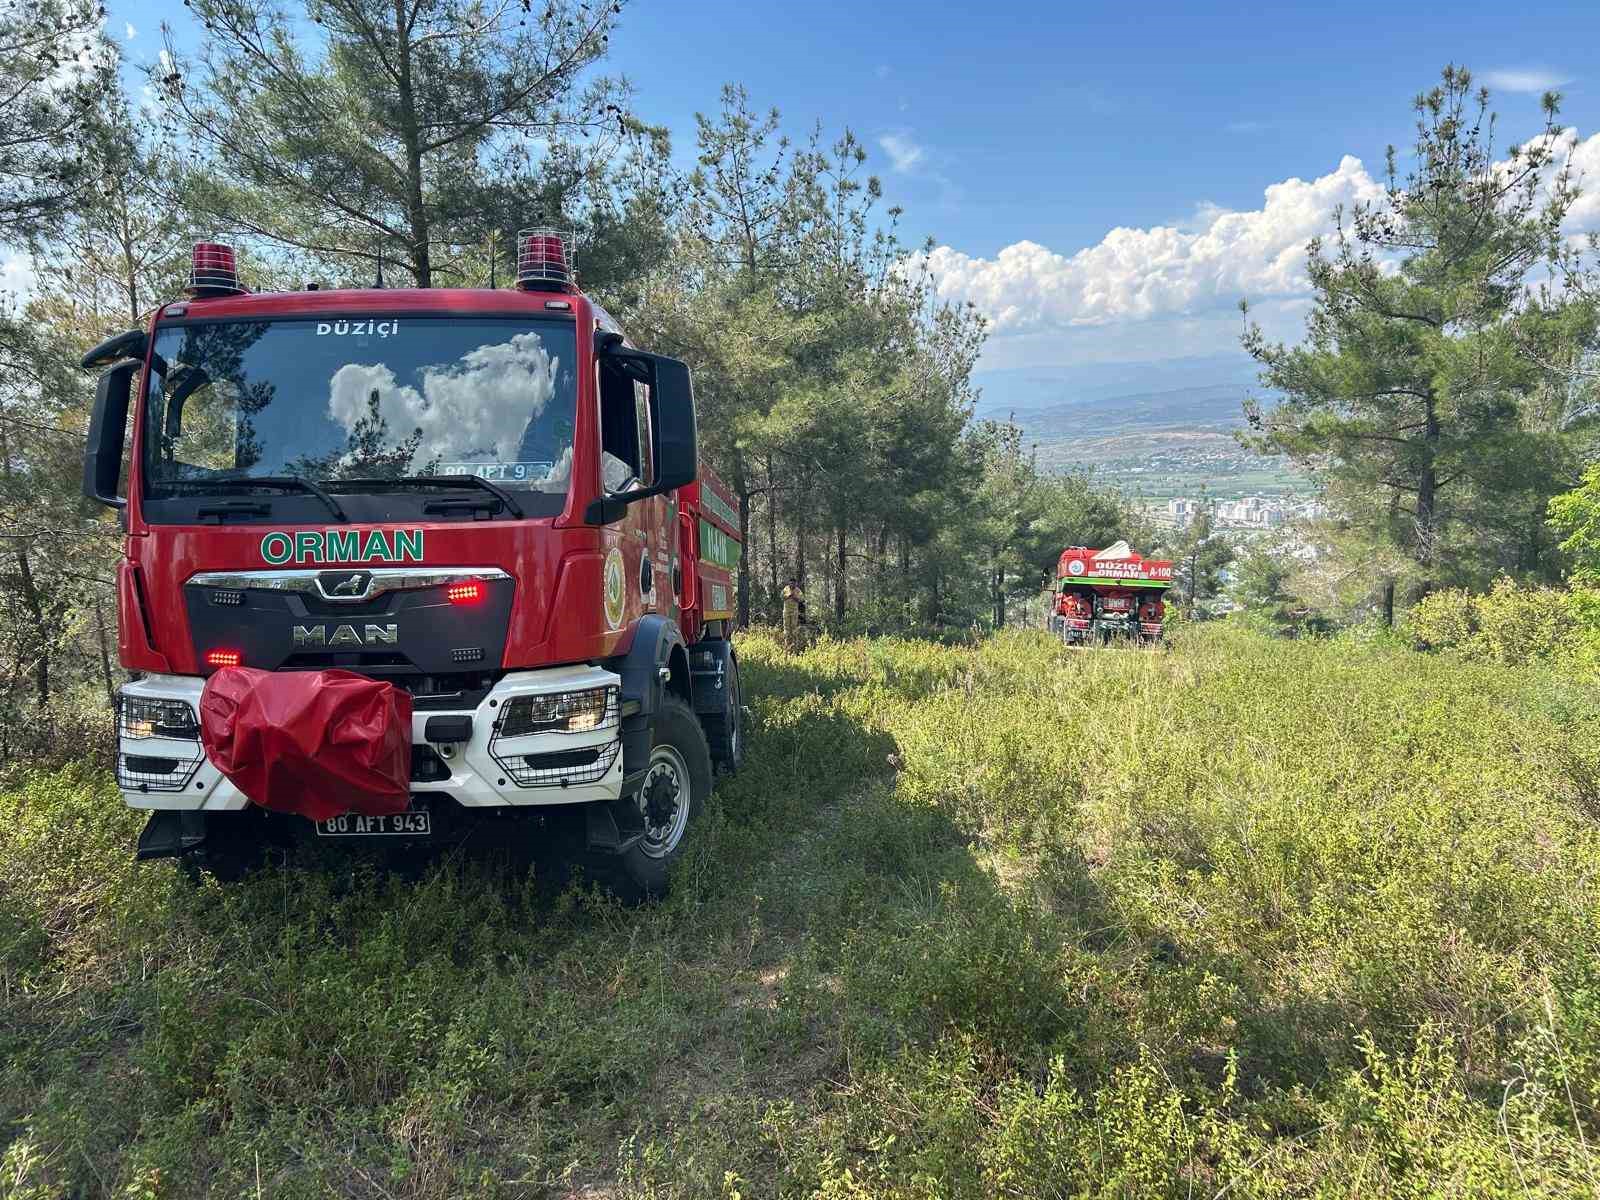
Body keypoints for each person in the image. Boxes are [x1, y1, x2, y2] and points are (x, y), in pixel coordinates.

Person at [781, 577, 804, 652]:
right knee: (786, 630)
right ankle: (787, 647)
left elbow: (801, 599)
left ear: (795, 583)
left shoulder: (798, 590)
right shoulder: (786, 589)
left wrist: (794, 597)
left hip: (794, 612)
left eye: (793, 583)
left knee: (794, 630)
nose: (792, 584)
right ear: (789, 583)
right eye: (791, 583)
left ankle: (795, 648)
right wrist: (788, 596)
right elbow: (782, 597)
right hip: (786, 612)